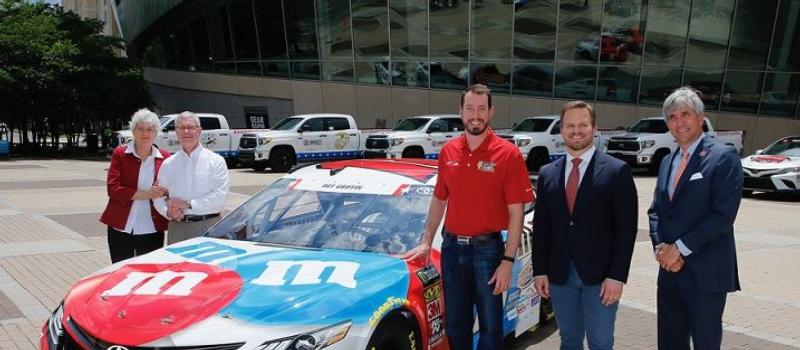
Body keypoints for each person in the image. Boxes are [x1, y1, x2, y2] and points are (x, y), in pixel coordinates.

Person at [406, 84, 534, 350]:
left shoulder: (508, 154)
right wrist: (426, 241)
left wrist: (508, 260)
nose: (475, 114)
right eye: (469, 108)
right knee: (456, 325)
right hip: (452, 250)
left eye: (481, 108)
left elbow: (516, 212)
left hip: (488, 252)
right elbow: (439, 199)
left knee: (491, 327)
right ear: (460, 112)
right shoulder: (448, 152)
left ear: (491, 112)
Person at [532, 101, 638, 350]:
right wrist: (540, 271)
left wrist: (617, 276)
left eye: (583, 125)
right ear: (561, 129)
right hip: (559, 276)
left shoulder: (617, 171)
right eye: (570, 125)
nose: (576, 131)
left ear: (594, 128)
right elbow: (542, 228)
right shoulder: (548, 173)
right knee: (569, 340)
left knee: (600, 342)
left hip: (601, 279)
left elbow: (626, 230)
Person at [648, 87, 742, 350]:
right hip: (669, 271)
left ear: (701, 118)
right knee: (669, 342)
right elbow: (656, 211)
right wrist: (661, 249)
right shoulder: (667, 160)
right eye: (673, 116)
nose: (680, 122)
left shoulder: (723, 156)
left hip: (706, 273)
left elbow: (723, 216)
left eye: (686, 114)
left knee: (705, 343)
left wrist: (679, 248)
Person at [99, 108, 170, 263]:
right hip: (121, 226)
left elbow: (169, 190)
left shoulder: (165, 158)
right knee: (120, 273)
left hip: (151, 228)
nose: (145, 133)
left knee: (149, 274)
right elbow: (114, 189)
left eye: (150, 129)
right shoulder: (120, 154)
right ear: (133, 131)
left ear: (156, 133)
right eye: (141, 129)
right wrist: (148, 194)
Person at [154, 111, 230, 244]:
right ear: (176, 132)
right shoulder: (168, 164)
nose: (186, 131)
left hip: (207, 226)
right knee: (177, 265)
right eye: (181, 128)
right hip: (177, 227)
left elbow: (220, 197)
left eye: (191, 127)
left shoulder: (216, 161)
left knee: (207, 265)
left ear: (199, 131)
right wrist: (169, 212)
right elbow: (158, 195)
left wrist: (188, 205)